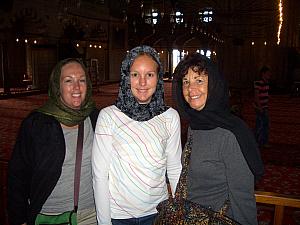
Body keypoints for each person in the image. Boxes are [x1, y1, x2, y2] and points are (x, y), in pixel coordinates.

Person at [92, 45, 182, 225]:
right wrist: (104, 222)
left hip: (158, 213)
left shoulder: (170, 117)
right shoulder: (109, 116)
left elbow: (174, 168)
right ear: (126, 77)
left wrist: (180, 212)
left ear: (158, 78)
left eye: (149, 74)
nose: (142, 82)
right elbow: (100, 175)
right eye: (135, 75)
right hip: (119, 216)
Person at [172, 53, 264, 225]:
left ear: (213, 84)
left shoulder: (230, 134)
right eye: (186, 82)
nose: (191, 89)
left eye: (199, 80)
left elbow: (243, 198)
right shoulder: (196, 124)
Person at [7, 58, 99, 225]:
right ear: (57, 86)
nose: (77, 87)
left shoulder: (96, 118)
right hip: (50, 215)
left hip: (91, 214)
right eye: (68, 81)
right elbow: (18, 175)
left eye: (82, 80)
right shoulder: (36, 124)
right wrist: (19, 218)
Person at [254, 66, 271, 148]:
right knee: (260, 125)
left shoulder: (267, 83)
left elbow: (266, 95)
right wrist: (260, 107)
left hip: (265, 107)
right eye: (268, 73)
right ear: (263, 74)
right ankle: (257, 142)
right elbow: (256, 96)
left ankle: (264, 142)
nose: (269, 75)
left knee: (265, 125)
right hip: (260, 108)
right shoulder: (258, 83)